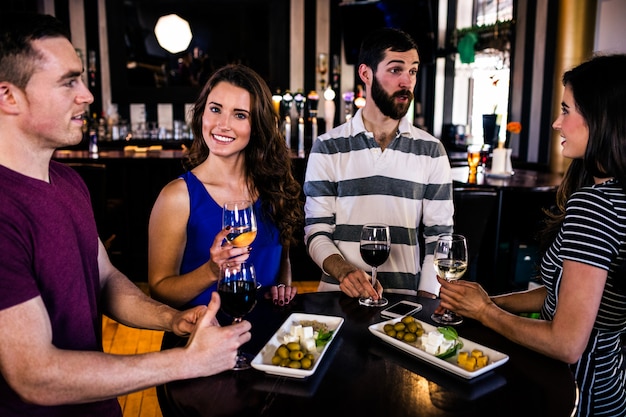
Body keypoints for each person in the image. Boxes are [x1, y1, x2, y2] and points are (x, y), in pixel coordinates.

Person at [0, 12, 251, 417]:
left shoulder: (66, 181)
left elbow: (106, 279)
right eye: (69, 82)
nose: (87, 95)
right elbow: (34, 375)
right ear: (8, 95)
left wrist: (173, 320)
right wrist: (185, 362)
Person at [437, 54, 626, 417]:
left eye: (567, 110)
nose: (557, 123)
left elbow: (568, 343)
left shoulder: (595, 205)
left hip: (576, 393)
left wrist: (486, 312)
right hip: (608, 387)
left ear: (601, 119)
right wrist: (489, 301)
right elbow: (565, 294)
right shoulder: (616, 194)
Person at [303, 27, 454, 301]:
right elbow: (316, 230)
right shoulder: (327, 147)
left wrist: (425, 297)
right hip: (336, 299)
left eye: (413, 71)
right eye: (396, 70)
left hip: (405, 303)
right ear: (366, 74)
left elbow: (440, 236)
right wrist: (344, 272)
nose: (407, 81)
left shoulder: (432, 150)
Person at [148, 64, 303, 316]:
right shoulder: (177, 196)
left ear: (257, 125)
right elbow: (160, 291)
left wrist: (283, 286)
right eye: (215, 109)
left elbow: (282, 257)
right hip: (202, 339)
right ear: (202, 114)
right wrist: (212, 270)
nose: (223, 124)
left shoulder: (275, 188)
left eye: (240, 115)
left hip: (269, 335)